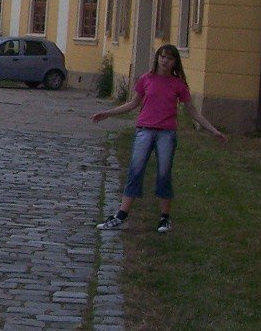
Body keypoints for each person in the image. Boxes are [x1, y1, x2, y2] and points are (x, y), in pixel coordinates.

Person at [93, 43, 225, 233]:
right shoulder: (146, 79)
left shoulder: (178, 84)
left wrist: (213, 130)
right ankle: (121, 216)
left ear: (175, 62)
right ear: (157, 58)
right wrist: (107, 113)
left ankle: (165, 219)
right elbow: (132, 104)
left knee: (164, 175)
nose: (165, 61)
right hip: (144, 131)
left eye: (169, 58)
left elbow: (193, 112)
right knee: (135, 171)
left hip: (166, 133)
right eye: (162, 57)